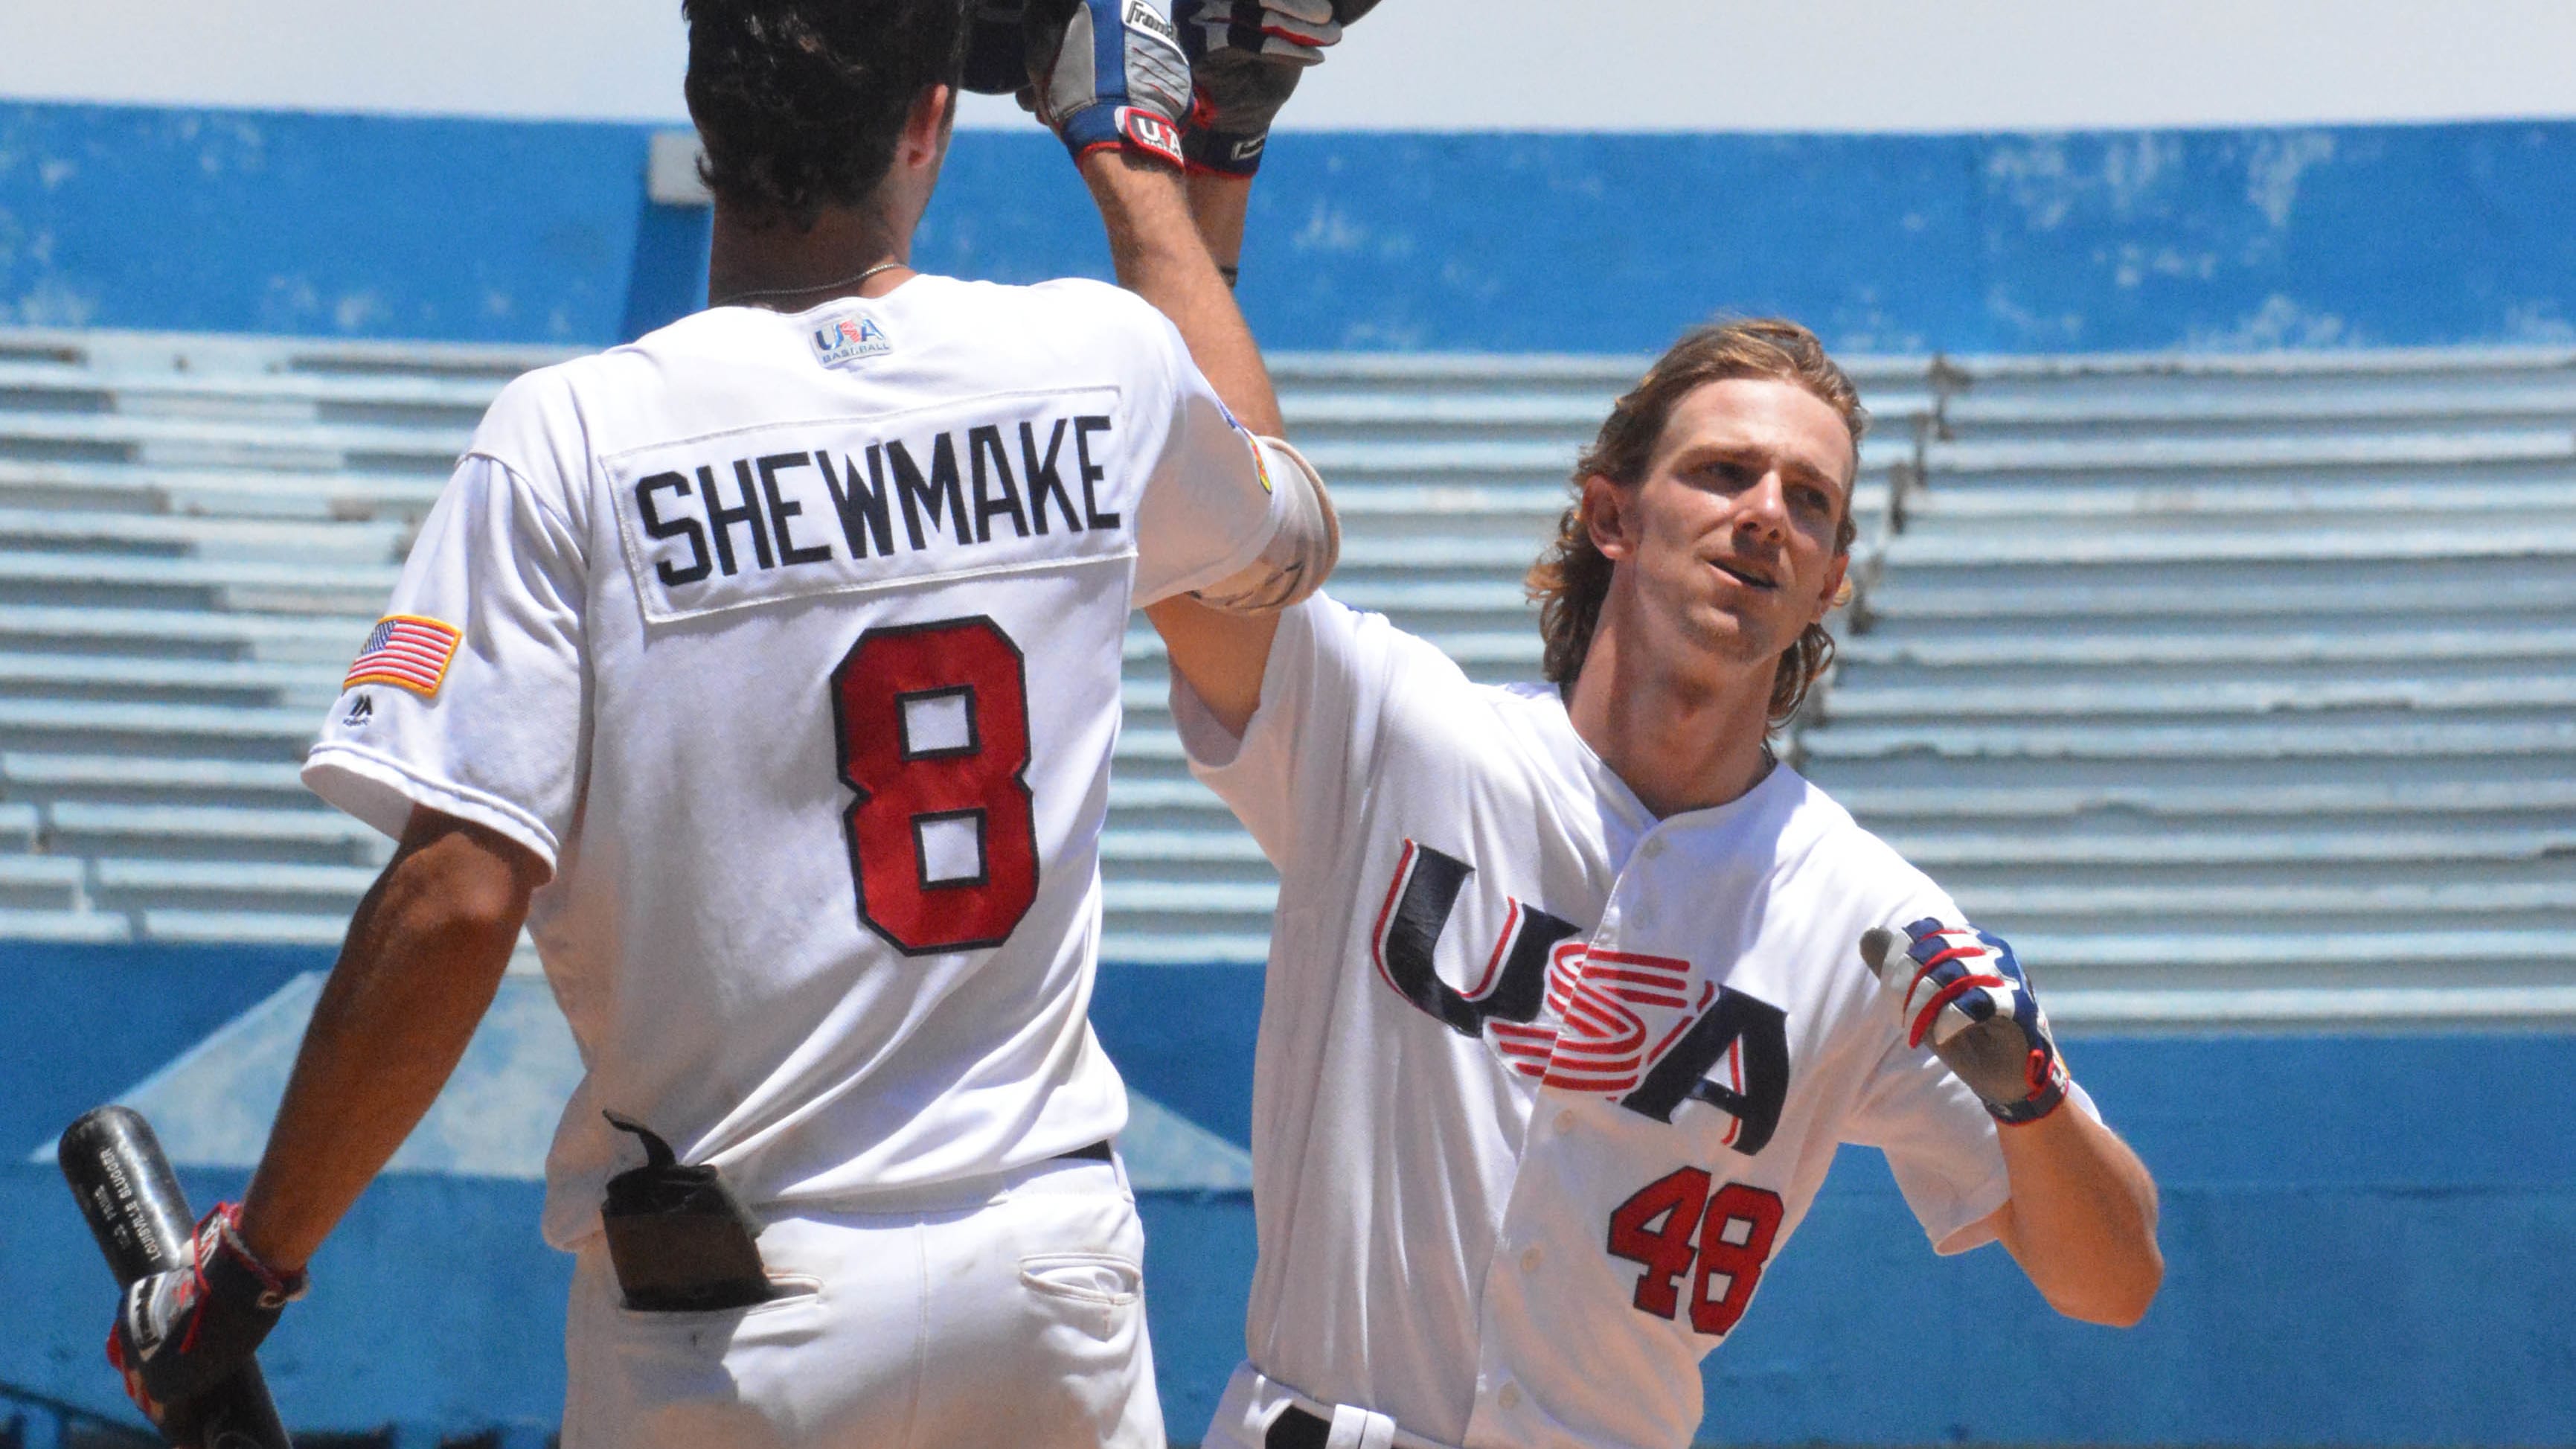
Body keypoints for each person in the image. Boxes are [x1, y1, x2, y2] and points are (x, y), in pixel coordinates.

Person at [98, 2, 1335, 1446]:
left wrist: (251, 1266)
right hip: (1044, 1271)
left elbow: (456, 895)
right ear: (929, 121)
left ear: (707, 121)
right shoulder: (1091, 359)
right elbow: (1282, 538)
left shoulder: (571, 435)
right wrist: (1151, 160)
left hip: (741, 1305)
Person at [1148, 317, 2165, 1449]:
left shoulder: (1867, 919)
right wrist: (1179, 195)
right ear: (1611, 517)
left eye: (1809, 498)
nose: (1766, 512)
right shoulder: (1395, 736)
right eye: (1724, 472)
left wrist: (2029, 1099)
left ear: (1829, 580)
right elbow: (1202, 523)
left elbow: (2111, 1281)